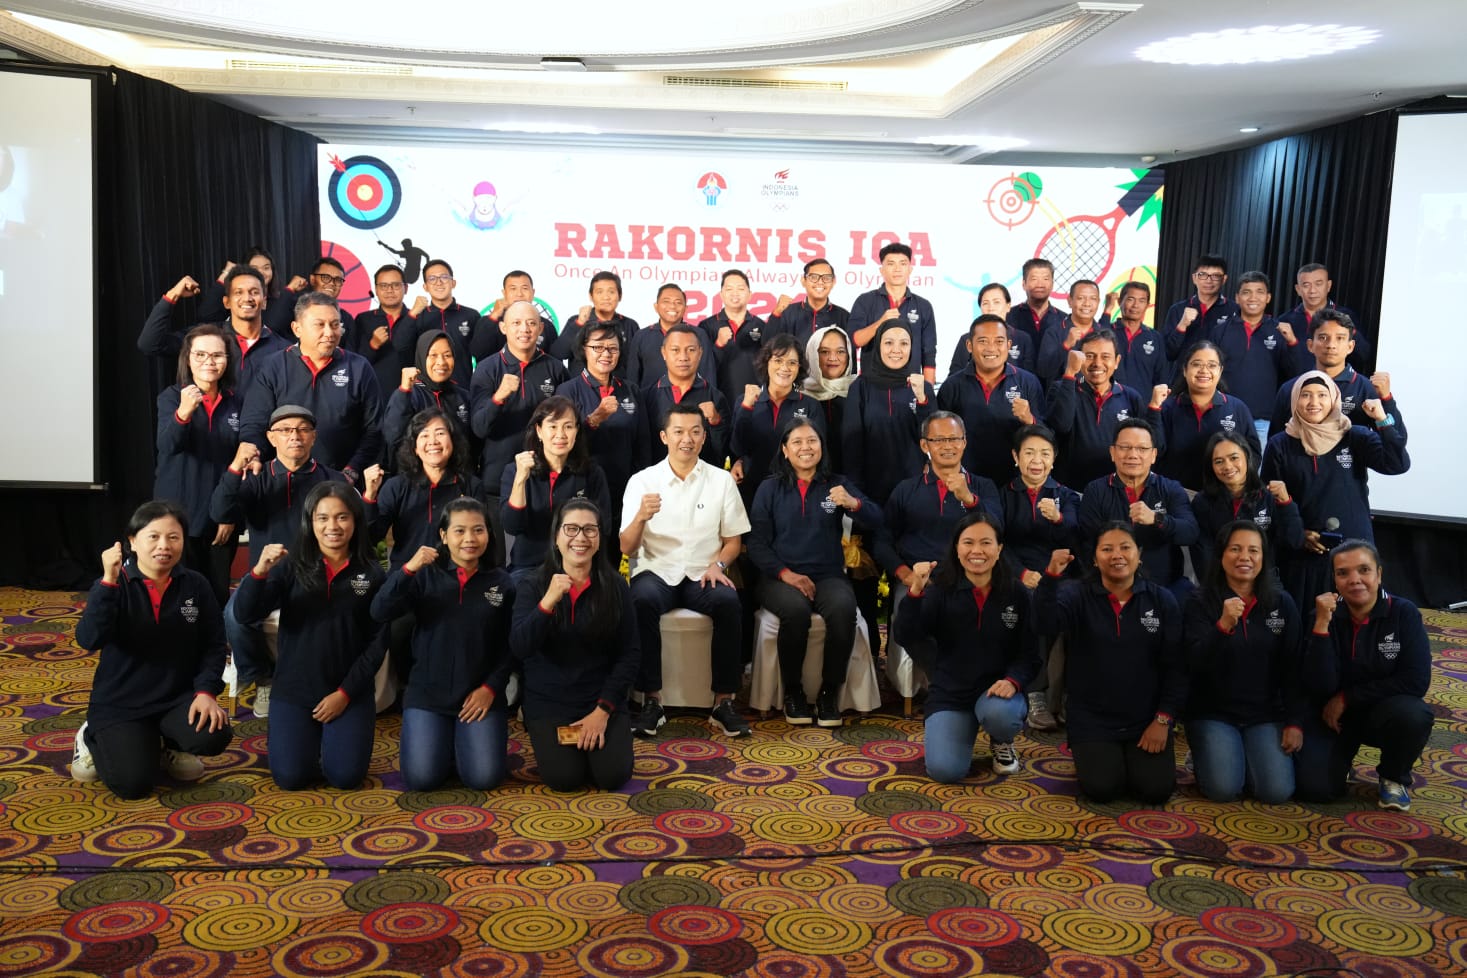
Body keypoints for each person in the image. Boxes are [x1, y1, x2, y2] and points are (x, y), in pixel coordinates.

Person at [70, 501, 232, 799]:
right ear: (132, 541)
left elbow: (213, 645)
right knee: (133, 785)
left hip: (175, 697)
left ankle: (170, 743)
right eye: (153, 536)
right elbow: (88, 639)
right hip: (122, 702)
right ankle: (90, 736)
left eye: (173, 537)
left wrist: (206, 692)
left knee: (215, 734)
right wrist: (108, 582)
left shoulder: (195, 585)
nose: (164, 546)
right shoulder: (113, 585)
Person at [234, 483, 386, 790]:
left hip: (348, 691)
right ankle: (311, 742)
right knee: (289, 778)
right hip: (294, 688)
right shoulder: (290, 566)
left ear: (355, 521)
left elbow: (377, 644)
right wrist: (259, 572)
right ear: (310, 522)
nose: (333, 526)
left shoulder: (372, 573)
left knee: (345, 777)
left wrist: (344, 694)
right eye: (323, 518)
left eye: (342, 517)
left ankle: (329, 743)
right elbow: (245, 614)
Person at [620, 403, 752, 739]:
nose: (687, 439)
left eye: (695, 431)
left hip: (702, 571)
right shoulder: (642, 481)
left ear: (704, 437)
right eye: (678, 432)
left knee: (728, 602)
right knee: (642, 600)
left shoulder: (721, 481)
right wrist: (640, 518)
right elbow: (626, 547)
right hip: (656, 569)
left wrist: (719, 565)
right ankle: (652, 700)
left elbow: (733, 540)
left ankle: (724, 702)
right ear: (664, 436)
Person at [370, 497, 515, 791]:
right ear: (443, 535)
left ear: (489, 533)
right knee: (422, 779)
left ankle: (460, 741)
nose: (470, 539)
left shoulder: (503, 582)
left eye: (478, 530)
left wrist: (490, 689)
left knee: (483, 778)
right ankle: (446, 741)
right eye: (459, 531)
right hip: (428, 695)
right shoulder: (424, 575)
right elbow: (379, 611)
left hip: (479, 696)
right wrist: (408, 569)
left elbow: (511, 646)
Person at [209, 405, 345, 719]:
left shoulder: (331, 480)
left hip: (317, 575)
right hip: (267, 575)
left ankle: (329, 683)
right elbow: (220, 513)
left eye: (302, 429)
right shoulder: (257, 478)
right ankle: (262, 678)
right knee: (235, 617)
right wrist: (234, 468)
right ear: (271, 438)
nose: (294, 436)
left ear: (313, 436)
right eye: (285, 430)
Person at [1034, 524, 1185, 804]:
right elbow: (1045, 622)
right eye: (1107, 549)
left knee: (1155, 790)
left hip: (1146, 719)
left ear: (1139, 555)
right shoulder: (1076, 595)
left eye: (1125, 547)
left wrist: (1163, 719)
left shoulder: (1162, 600)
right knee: (1102, 788)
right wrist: (1051, 578)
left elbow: (1176, 665)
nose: (1117, 555)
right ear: (1094, 558)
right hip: (1093, 719)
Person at [748, 419, 882, 726]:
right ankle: (793, 692)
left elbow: (877, 518)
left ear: (822, 447)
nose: (805, 448)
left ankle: (829, 691)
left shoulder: (836, 484)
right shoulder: (769, 488)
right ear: (784, 450)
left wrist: (853, 503)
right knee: (795, 612)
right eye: (796, 442)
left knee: (843, 608)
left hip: (828, 575)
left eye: (812, 441)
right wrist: (786, 574)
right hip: (778, 577)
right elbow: (756, 544)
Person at [895, 512, 1039, 781]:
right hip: (951, 693)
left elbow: (1031, 652)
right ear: (956, 549)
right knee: (945, 771)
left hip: (998, 693)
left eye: (986, 543)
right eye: (968, 542)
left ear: (999, 550)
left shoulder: (1017, 593)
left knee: (1000, 716)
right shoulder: (940, 591)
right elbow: (906, 635)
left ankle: (1001, 740)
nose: (977, 551)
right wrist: (915, 591)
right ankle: (962, 727)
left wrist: (1013, 680)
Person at [510, 499, 639, 792]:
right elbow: (520, 647)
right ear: (556, 537)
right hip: (550, 703)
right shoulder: (533, 585)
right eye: (570, 529)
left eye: (589, 530)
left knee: (612, 775)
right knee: (563, 778)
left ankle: (602, 736)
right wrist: (548, 602)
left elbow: (630, 654)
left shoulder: (616, 586)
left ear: (599, 538)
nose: (580, 538)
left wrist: (602, 711)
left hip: (600, 700)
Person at [1296, 540, 1431, 811]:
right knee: (1315, 789)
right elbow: (1319, 685)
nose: (1354, 580)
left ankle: (1393, 776)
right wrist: (1321, 626)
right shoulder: (1322, 615)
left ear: (1379, 574)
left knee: (1415, 715)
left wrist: (1348, 697)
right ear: (1334, 579)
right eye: (1343, 573)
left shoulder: (1404, 613)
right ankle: (1339, 763)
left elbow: (1416, 680)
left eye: (1364, 570)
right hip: (1332, 717)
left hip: (1383, 712)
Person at [1261, 371, 1409, 610]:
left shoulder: (1354, 436)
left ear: (1334, 399)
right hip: (1303, 554)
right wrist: (1300, 534)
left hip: (1354, 551)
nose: (1314, 402)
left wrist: (1382, 418)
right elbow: (1267, 500)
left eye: (1322, 395)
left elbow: (1397, 464)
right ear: (1295, 399)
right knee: (1304, 625)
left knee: (1355, 624)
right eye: (1306, 395)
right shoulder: (1280, 444)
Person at [1183, 521, 1304, 803]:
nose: (1244, 558)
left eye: (1253, 550)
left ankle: (1243, 755)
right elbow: (1192, 664)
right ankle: (1205, 752)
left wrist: (1294, 722)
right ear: (1221, 555)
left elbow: (1294, 666)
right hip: (1213, 712)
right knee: (1223, 790)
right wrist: (1223, 627)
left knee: (1276, 792)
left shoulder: (1281, 603)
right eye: (1235, 549)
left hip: (1265, 714)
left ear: (1264, 557)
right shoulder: (1198, 602)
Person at [237, 292, 384, 486]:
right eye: (319, 325)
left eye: (335, 324)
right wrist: (254, 455)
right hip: (284, 484)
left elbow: (374, 429)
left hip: (341, 484)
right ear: (296, 328)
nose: (329, 333)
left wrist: (352, 470)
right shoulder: (272, 367)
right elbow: (254, 424)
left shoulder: (358, 367)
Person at [996, 424, 1081, 730]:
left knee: (1072, 604)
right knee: (1032, 603)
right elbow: (997, 542)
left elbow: (1075, 538)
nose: (1037, 460)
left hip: (1061, 575)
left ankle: (1072, 695)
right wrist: (1021, 572)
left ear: (1054, 460)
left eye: (1045, 454)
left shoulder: (1067, 495)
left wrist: (1057, 519)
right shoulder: (1002, 495)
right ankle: (1036, 694)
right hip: (1018, 574)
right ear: (1015, 457)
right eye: (1029, 452)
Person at [154, 325, 242, 606]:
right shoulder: (171, 397)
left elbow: (241, 463)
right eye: (201, 354)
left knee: (216, 594)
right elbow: (168, 445)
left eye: (217, 355)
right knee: (182, 596)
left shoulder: (237, 402)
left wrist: (229, 514)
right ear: (188, 359)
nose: (209, 362)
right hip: (179, 516)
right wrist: (184, 412)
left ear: (227, 359)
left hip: (220, 516)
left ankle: (213, 648)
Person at [1078, 419, 1198, 600]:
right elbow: (1088, 544)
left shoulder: (1171, 488)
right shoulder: (1095, 491)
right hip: (1109, 587)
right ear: (1112, 452)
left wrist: (1158, 519)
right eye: (1125, 447)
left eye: (1142, 449)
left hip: (1164, 586)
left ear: (1154, 455)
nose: (1133, 454)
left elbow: (1190, 533)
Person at [470, 299, 570, 500]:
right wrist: (499, 397)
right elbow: (479, 428)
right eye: (516, 323)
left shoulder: (556, 368)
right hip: (497, 482)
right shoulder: (487, 368)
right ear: (503, 328)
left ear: (541, 328)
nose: (524, 329)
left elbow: (566, 422)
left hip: (545, 478)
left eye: (531, 323)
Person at [501, 397, 612, 577]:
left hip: (579, 566)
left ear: (577, 431)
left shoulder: (592, 473)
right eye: (552, 426)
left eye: (568, 426)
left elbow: (603, 526)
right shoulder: (515, 470)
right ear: (539, 431)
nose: (560, 434)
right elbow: (512, 526)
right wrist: (521, 479)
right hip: (529, 567)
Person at [1046, 329, 1167, 489]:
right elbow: (1061, 426)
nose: (1097, 363)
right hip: (1070, 490)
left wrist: (1154, 408)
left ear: (1117, 361)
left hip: (1116, 492)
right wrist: (1070, 373)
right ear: (1079, 359)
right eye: (1089, 356)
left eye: (1105, 357)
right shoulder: (1061, 388)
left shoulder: (1131, 397)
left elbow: (1156, 447)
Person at [365, 409, 483, 571]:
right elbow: (371, 538)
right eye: (424, 435)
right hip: (407, 576)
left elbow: (482, 538)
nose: (433, 441)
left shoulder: (471, 485)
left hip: (456, 578)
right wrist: (370, 495)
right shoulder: (397, 486)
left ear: (453, 441)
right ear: (414, 448)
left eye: (440, 433)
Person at [936, 315, 1045, 486]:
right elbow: (938, 438)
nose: (991, 348)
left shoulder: (1028, 382)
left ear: (1008, 345)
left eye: (999, 341)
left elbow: (1047, 436)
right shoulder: (952, 386)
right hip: (965, 482)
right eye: (983, 341)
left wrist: (1029, 420)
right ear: (969, 346)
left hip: (1016, 483)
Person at [139, 267, 290, 390]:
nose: (247, 298)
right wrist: (172, 295)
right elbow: (150, 344)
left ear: (264, 302)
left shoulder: (284, 350)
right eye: (239, 292)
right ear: (226, 302)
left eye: (254, 292)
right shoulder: (205, 338)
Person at [555, 322, 648, 521]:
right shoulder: (567, 391)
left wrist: (641, 484)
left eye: (612, 348)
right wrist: (594, 419)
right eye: (598, 347)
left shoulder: (631, 390)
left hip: (625, 489)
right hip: (581, 488)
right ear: (583, 349)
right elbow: (562, 444)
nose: (606, 353)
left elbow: (643, 444)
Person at [1266, 311, 1405, 439]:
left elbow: (1397, 443)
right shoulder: (1290, 389)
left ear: (1350, 346)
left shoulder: (1365, 389)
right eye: (1323, 337)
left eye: (1339, 338)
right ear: (1310, 345)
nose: (1331, 345)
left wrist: (1386, 399)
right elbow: (1274, 445)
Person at [840, 321, 934, 505]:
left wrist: (922, 399)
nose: (896, 350)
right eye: (889, 342)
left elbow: (932, 438)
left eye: (904, 343)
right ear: (878, 346)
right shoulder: (860, 387)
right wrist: (856, 493)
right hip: (870, 492)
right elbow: (851, 445)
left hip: (914, 490)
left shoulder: (923, 387)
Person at [731, 334, 825, 507]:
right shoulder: (746, 400)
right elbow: (738, 448)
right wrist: (746, 407)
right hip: (751, 490)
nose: (785, 368)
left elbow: (819, 454)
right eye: (778, 360)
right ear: (767, 362)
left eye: (792, 362)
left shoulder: (810, 405)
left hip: (794, 493)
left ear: (799, 367)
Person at [1208, 272, 1300, 446]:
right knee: (1223, 469)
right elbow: (1210, 373)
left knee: (1259, 472)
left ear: (1268, 297)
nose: (1253, 297)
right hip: (1226, 414)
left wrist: (1292, 342)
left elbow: (1294, 374)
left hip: (1264, 420)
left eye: (1259, 291)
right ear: (1237, 297)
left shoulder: (1280, 330)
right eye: (1246, 292)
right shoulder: (1220, 331)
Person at [1155, 340, 1260, 492]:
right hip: (1176, 496)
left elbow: (1254, 454)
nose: (1204, 370)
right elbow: (1154, 455)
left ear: (1221, 370)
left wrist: (1236, 485)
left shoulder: (1237, 408)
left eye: (1211, 365)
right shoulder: (1167, 408)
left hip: (1224, 497)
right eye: (1197, 364)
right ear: (1185, 370)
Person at [1193, 432, 1303, 572]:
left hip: (1266, 581)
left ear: (1247, 456)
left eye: (1234, 458)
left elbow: (1294, 542)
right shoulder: (1202, 502)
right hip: (1221, 584)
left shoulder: (1269, 496)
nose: (1227, 466)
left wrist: (1286, 504)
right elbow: (1203, 555)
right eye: (1219, 461)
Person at [642, 324, 731, 468]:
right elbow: (641, 449)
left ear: (700, 353)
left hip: (702, 483)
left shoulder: (715, 397)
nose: (683, 357)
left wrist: (716, 422)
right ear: (664, 353)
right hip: (658, 484)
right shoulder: (646, 396)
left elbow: (724, 452)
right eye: (675, 350)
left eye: (691, 350)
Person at [847, 242, 937, 382]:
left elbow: (929, 352)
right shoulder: (865, 301)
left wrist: (928, 391)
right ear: (881, 270)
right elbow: (854, 341)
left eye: (902, 263)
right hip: (872, 383)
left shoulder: (923, 306)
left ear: (910, 269)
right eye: (891, 264)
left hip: (909, 384)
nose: (897, 269)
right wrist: (880, 323)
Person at [382, 329, 474, 463]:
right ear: (421, 357)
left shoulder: (463, 396)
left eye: (447, 355)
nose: (441, 362)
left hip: (456, 476)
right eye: (433, 355)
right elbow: (392, 437)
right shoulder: (408, 394)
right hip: (414, 476)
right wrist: (404, 391)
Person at [398, 259, 480, 387]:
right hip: (426, 393)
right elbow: (400, 346)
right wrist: (413, 313)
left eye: (444, 277)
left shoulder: (471, 315)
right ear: (425, 287)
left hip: (463, 389)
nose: (439, 282)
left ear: (453, 283)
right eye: (432, 279)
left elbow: (483, 353)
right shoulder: (417, 316)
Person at [1279, 262, 1372, 372]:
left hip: (1338, 386)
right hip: (1299, 385)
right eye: (1306, 285)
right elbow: (1279, 365)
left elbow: (1364, 355)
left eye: (1318, 284)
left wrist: (1351, 330)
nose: (1312, 290)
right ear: (1298, 289)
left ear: (1328, 286)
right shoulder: (1285, 321)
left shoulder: (1346, 316)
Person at [625, 283, 718, 390]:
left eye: (678, 302)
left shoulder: (698, 334)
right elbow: (632, 378)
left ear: (685, 308)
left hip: (690, 402)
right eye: (666, 301)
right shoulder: (641, 336)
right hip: (649, 404)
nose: (672, 306)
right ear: (656, 306)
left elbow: (708, 374)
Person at [194, 248, 304, 335]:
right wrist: (226, 274)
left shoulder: (283, 299)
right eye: (255, 268)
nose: (261, 272)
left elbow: (272, 324)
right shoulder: (238, 301)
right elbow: (205, 316)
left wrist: (289, 290)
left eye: (266, 268)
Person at [703, 268, 777, 398]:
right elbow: (702, 367)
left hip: (753, 400)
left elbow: (769, 365)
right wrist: (718, 345)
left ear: (750, 294)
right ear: (721, 294)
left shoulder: (761, 326)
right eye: (729, 289)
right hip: (717, 400)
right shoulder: (706, 326)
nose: (735, 293)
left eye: (741, 289)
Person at [551, 270, 640, 376]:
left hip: (618, 389)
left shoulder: (630, 325)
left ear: (620, 296)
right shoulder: (577, 321)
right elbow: (557, 354)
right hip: (581, 389)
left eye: (611, 292)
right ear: (591, 296)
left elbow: (635, 364)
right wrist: (579, 324)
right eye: (599, 292)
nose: (606, 297)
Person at [354, 264, 416, 404]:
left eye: (395, 285)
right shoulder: (363, 319)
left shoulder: (417, 317)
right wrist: (373, 345)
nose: (389, 290)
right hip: (373, 396)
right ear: (376, 289)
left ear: (405, 288)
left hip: (412, 395)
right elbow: (354, 362)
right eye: (383, 286)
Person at [1162, 255, 1240, 361]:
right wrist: (1182, 325)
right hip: (1183, 375)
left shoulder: (1234, 310)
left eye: (1216, 276)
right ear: (1194, 278)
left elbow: (1237, 352)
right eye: (1202, 275)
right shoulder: (1177, 309)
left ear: (1224, 279)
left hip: (1220, 375)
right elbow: (1168, 353)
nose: (1209, 281)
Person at [946, 281, 1032, 378]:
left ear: (1008, 306)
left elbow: (1029, 379)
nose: (991, 308)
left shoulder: (1022, 339)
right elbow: (954, 378)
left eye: (996, 302)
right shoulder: (967, 339)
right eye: (985, 303)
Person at [802, 325, 857, 471]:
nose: (833, 358)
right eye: (824, 352)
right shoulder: (799, 393)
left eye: (840, 351)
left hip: (852, 483)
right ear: (812, 354)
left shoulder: (860, 391)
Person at [471, 269, 556, 362]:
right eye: (513, 289)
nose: (519, 294)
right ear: (504, 293)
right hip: (495, 376)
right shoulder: (488, 321)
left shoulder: (545, 325)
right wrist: (494, 316)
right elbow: (477, 352)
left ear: (533, 292)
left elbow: (554, 360)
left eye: (525, 288)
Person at [1035, 279, 1103, 385]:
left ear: (1098, 302)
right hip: (1061, 397)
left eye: (1093, 299)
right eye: (1081, 298)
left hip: (1095, 399)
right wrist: (1066, 345)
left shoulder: (1104, 334)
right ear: (1070, 301)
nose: (1087, 304)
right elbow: (1043, 371)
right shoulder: (1054, 331)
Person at [1106, 281, 1170, 394]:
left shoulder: (1155, 338)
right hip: (1110, 404)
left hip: (1143, 406)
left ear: (1147, 305)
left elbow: (1161, 378)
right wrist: (1107, 310)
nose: (1136, 305)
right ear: (1120, 301)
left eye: (1142, 301)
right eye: (1130, 299)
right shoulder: (1107, 332)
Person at [769, 258, 850, 345]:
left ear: (833, 281)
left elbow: (850, 354)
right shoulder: (788, 313)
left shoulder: (844, 316)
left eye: (826, 278)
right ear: (803, 281)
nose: (820, 282)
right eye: (814, 277)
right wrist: (776, 313)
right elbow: (768, 345)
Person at [1007, 259, 1064, 349]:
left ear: (1052, 284)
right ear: (1024, 284)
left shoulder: (1064, 320)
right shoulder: (1008, 316)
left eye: (1045, 279)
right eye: (1034, 279)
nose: (1040, 284)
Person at [307, 257, 356, 346]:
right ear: (313, 280)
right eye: (325, 277)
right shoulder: (297, 310)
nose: (332, 283)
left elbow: (351, 353)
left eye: (338, 280)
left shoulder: (346, 318)